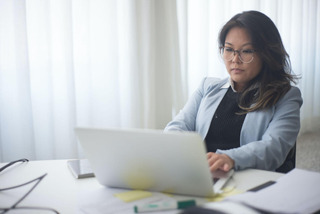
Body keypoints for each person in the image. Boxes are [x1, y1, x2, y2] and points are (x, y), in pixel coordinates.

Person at [164, 10, 303, 173]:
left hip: (247, 177)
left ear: (267, 54)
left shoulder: (286, 96)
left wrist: (229, 158)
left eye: (246, 51)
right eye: (229, 49)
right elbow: (178, 126)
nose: (235, 59)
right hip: (203, 174)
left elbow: (273, 149)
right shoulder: (207, 87)